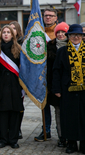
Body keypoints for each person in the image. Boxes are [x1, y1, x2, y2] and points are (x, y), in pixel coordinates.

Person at [52, 24, 85, 154]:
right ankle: (71, 143)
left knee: (83, 117)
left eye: (78, 35)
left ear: (82, 37)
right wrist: (57, 89)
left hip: (83, 90)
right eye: (72, 35)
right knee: (69, 117)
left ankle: (83, 143)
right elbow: (56, 71)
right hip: (68, 89)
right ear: (68, 37)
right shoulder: (62, 51)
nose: (75, 37)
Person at [0, 25, 24, 149]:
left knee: (15, 113)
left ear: (13, 35)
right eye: (4, 32)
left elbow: (23, 70)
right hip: (1, 86)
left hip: (16, 86)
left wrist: (23, 87)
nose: (5, 34)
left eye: (8, 32)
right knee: (2, 114)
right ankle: (3, 139)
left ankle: (13, 139)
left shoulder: (19, 49)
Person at [44, 22, 69, 148]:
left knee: (69, 113)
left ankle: (71, 137)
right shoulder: (50, 47)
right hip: (56, 84)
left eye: (63, 32)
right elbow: (48, 70)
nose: (60, 34)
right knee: (58, 112)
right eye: (58, 32)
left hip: (70, 86)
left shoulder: (73, 46)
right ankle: (62, 137)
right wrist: (51, 86)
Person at [35, 8, 58, 141]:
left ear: (56, 17)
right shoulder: (39, 32)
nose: (48, 18)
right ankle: (46, 129)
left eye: (50, 16)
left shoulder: (60, 33)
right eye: (45, 16)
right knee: (45, 105)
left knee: (59, 108)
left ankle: (61, 132)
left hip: (56, 74)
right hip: (42, 74)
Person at [9, 21, 24, 139]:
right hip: (9, 80)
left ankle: (18, 128)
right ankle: (10, 127)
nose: (12, 30)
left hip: (20, 78)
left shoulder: (23, 43)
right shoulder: (7, 44)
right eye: (10, 28)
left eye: (14, 28)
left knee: (19, 105)